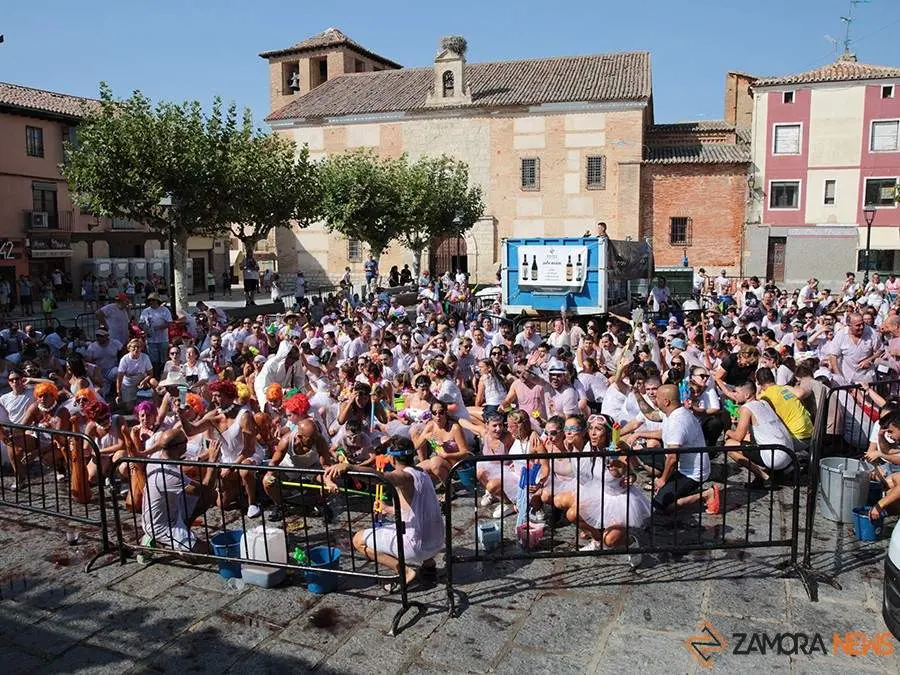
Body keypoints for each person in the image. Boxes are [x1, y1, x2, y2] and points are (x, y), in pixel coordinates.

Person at [325, 435, 442, 590]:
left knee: (358, 539)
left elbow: (382, 477)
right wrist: (387, 509)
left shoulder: (405, 476)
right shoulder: (422, 471)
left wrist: (350, 467)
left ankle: (404, 572)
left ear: (392, 460)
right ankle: (429, 565)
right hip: (437, 541)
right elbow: (411, 510)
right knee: (410, 524)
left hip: (417, 546)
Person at [652, 384, 721, 514]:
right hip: (682, 466)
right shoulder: (673, 413)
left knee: (660, 506)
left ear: (666, 401)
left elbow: (673, 457)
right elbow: (662, 430)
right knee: (647, 456)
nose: (655, 400)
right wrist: (638, 434)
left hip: (692, 473)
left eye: (657, 397)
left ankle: (706, 494)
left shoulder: (677, 421)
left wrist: (663, 479)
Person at [724, 380, 794, 487]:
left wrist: (728, 431)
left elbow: (738, 437)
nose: (733, 395)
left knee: (729, 445)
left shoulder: (746, 408)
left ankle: (764, 477)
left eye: (736, 392)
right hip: (788, 453)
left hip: (776, 457)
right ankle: (773, 472)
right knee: (747, 439)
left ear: (747, 395)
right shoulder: (763, 403)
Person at [140, 293, 172, 378]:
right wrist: (145, 328)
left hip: (163, 339)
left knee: (164, 360)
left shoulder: (164, 310)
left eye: (153, 300)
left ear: (157, 301)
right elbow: (141, 323)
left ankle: (165, 377)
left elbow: (169, 323)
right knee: (154, 361)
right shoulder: (145, 311)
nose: (151, 302)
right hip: (151, 340)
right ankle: (156, 377)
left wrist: (159, 327)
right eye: (150, 300)